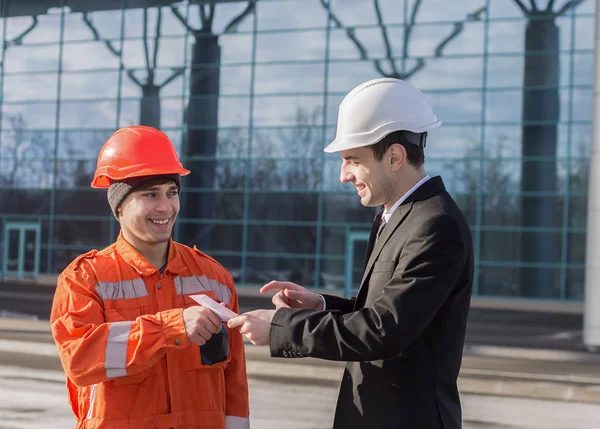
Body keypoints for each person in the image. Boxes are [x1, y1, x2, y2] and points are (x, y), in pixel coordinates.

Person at [228, 78, 474, 429]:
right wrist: (321, 305)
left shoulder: (436, 225)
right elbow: (382, 310)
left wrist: (282, 327)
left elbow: (384, 330)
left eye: (353, 160)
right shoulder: (398, 217)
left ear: (394, 156)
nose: (344, 176)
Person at [51, 126, 250, 429]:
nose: (165, 207)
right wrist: (171, 327)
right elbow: (80, 361)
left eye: (172, 193)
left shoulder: (215, 278)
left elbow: (234, 381)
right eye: (150, 194)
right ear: (119, 207)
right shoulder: (85, 279)